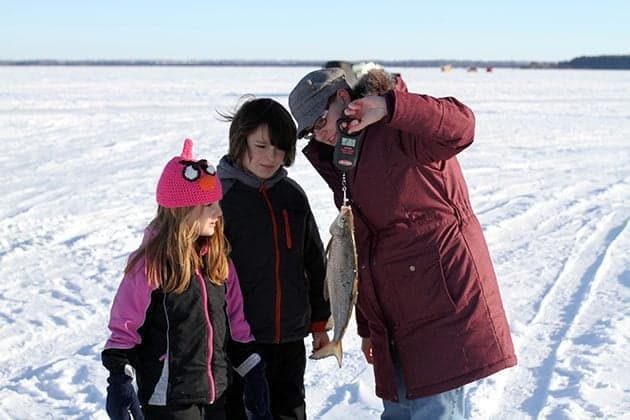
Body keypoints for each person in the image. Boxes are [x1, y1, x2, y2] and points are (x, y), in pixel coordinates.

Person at [288, 68, 517, 419]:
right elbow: (362, 249)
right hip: (396, 320)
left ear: (344, 99)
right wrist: (369, 328)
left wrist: (390, 106)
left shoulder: (402, 128)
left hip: (441, 306)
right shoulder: (345, 157)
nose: (320, 135)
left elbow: (462, 126)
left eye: (321, 121)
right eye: (310, 132)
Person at [101, 139, 271, 420]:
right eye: (208, 205)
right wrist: (119, 379)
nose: (218, 212)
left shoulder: (218, 262)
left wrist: (254, 373)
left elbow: (237, 327)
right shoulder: (150, 266)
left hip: (216, 394)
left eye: (217, 203)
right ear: (182, 211)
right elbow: (124, 330)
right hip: (169, 399)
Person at [216, 97, 330, 420]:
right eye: (261, 146)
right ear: (241, 141)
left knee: (289, 411)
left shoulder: (292, 196)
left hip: (290, 339)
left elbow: (314, 261)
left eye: (279, 149)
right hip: (239, 342)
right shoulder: (220, 200)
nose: (271, 157)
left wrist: (320, 320)